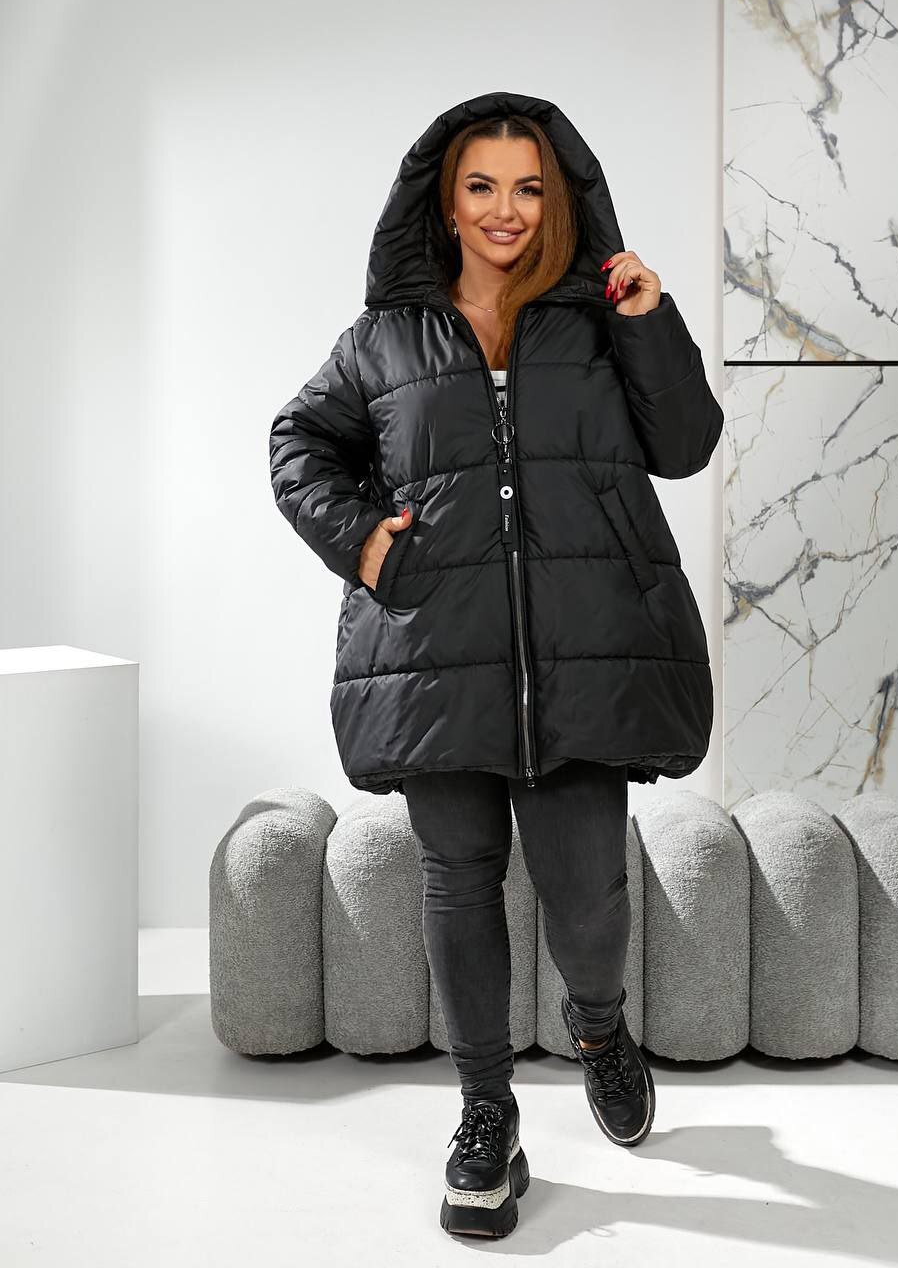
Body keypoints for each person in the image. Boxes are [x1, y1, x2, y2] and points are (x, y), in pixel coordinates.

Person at [269, 90, 724, 1239]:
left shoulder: (601, 319)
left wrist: (650, 320)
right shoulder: (382, 339)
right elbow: (297, 441)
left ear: (558, 198)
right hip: (436, 652)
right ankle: (485, 1113)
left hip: (584, 644)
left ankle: (598, 1024)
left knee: (587, 891)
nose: (505, 209)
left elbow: (683, 445)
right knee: (457, 878)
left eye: (528, 186)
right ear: (444, 200)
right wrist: (363, 537)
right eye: (481, 185)